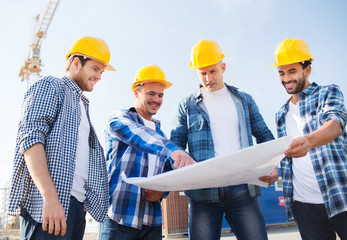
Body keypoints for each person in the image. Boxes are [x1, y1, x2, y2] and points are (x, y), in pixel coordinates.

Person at [8, 36, 115, 239]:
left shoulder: (81, 105)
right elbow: (30, 139)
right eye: (95, 69)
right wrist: (50, 197)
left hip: (74, 208)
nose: (99, 76)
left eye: (101, 72)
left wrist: (81, 205)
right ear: (76, 62)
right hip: (50, 207)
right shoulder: (51, 86)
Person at [170, 39, 278, 240]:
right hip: (202, 194)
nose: (208, 78)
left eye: (213, 71)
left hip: (243, 190)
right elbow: (175, 144)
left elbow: (265, 136)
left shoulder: (244, 100)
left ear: (223, 67)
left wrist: (273, 165)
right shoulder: (186, 105)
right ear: (196, 72)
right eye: (203, 73)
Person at [99, 64, 196, 240]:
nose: (156, 100)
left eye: (160, 95)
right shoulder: (119, 118)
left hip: (152, 223)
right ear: (136, 92)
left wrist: (162, 192)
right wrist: (174, 150)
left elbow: (167, 174)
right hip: (119, 219)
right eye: (151, 93)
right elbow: (139, 135)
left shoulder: (161, 136)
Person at [273, 38, 347, 240]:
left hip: (340, 195)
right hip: (304, 205)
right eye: (281, 72)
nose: (286, 78)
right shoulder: (281, 115)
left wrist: (308, 141)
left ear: (307, 70)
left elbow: (335, 125)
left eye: (292, 71)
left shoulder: (328, 92)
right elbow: (286, 161)